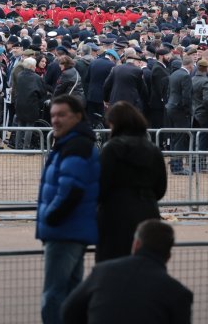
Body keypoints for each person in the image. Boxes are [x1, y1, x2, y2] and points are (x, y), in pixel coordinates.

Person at [37, 94, 100, 324]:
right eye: (53, 115)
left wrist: (50, 217)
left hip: (64, 229)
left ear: (77, 116)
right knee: (71, 292)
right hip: (72, 228)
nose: (55, 120)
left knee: (53, 295)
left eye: (61, 115)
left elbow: (71, 190)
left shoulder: (75, 146)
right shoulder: (76, 142)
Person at [61, 219, 193, 324]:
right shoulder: (178, 293)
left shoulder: (102, 271)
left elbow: (68, 311)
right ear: (168, 255)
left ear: (136, 245)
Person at [96, 102, 166, 262]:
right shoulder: (153, 150)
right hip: (147, 211)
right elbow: (161, 188)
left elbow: (100, 185)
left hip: (115, 214)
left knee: (112, 266)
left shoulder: (111, 149)